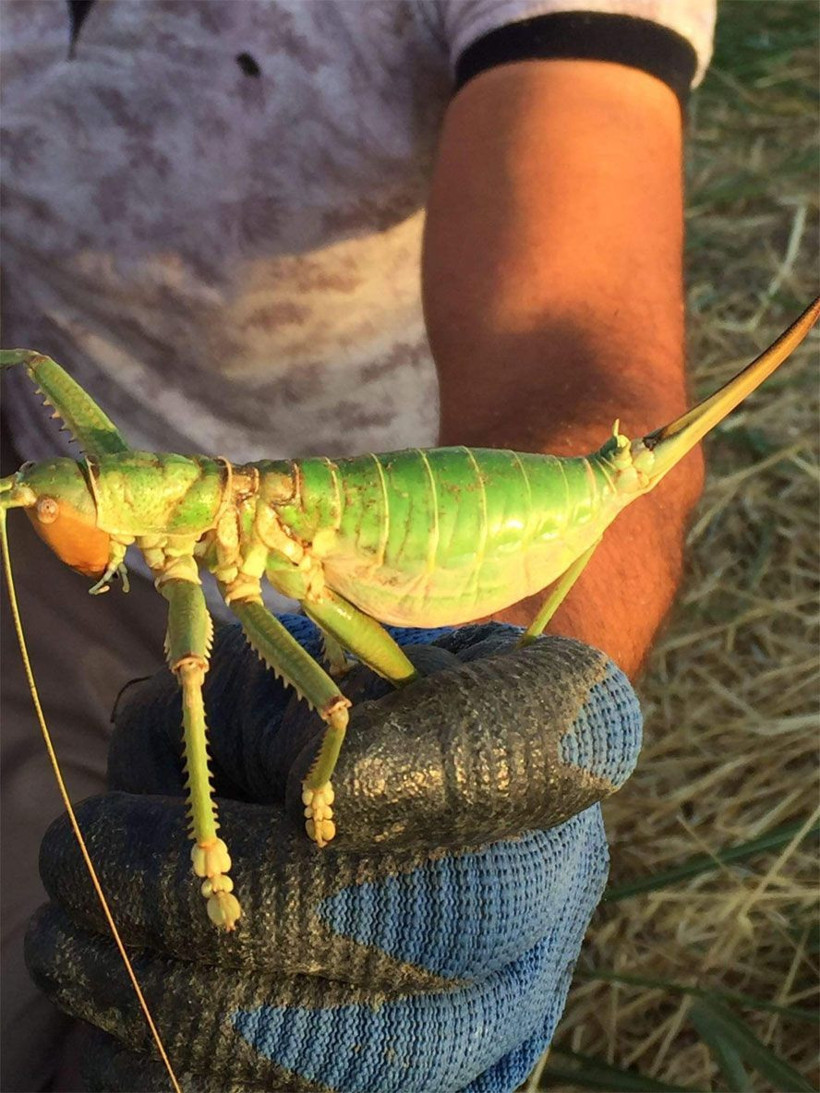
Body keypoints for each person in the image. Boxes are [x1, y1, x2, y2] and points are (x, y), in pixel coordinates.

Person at [1, 2, 716, 1089]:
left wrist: (493, 785)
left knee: (292, 714)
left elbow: (574, 337)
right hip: (88, 598)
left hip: (389, 559)